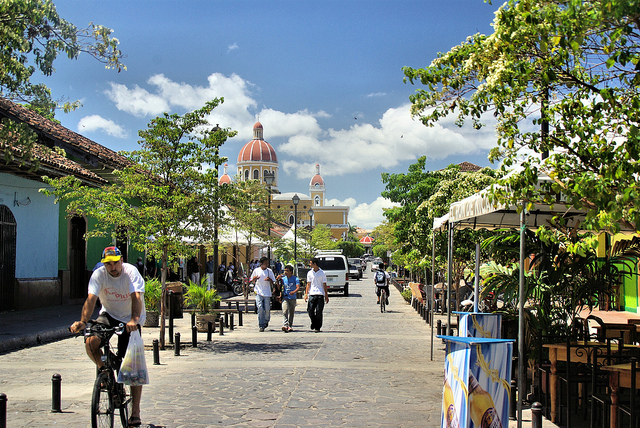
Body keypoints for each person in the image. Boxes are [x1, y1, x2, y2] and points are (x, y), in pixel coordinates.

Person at [69, 246, 146, 427]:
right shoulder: (99, 275)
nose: (112, 267)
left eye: (115, 263)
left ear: (121, 261)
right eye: (108, 264)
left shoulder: (131, 272)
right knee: (90, 341)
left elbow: (136, 296)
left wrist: (134, 320)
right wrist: (82, 321)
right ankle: (105, 369)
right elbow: (91, 299)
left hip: (130, 318)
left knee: (132, 366)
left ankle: (135, 412)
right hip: (109, 314)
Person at [248, 256, 276, 332]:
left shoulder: (269, 271)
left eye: (267, 263)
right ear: (261, 263)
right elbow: (252, 281)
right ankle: (261, 324)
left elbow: (273, 281)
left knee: (267, 309)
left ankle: (266, 320)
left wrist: (269, 279)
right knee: (260, 307)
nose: (266, 264)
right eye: (265, 263)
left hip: (267, 292)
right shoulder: (256, 270)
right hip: (258, 291)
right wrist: (254, 279)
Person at [305, 257, 329, 332]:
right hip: (312, 293)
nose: (309, 264)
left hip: (320, 294)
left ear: (315, 264)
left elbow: (324, 284)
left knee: (319, 311)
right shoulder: (309, 273)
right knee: (310, 310)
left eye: (310, 263)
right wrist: (306, 294)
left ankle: (317, 327)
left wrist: (326, 295)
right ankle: (314, 322)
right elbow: (308, 284)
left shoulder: (322, 273)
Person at [277, 264, 300, 332]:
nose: (285, 272)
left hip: (292, 298)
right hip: (285, 297)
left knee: (291, 312)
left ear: (291, 272)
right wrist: (278, 281)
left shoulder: (295, 279)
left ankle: (290, 325)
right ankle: (285, 325)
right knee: (285, 310)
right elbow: (279, 288)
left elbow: (298, 287)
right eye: (285, 271)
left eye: (287, 271)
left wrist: (294, 291)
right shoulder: (283, 279)